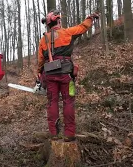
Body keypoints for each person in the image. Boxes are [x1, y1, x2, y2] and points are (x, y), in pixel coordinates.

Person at [37, 9, 99, 142]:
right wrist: (90, 18)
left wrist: (39, 73)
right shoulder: (67, 33)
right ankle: (69, 133)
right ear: (58, 21)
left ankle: (53, 133)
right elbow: (83, 27)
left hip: (50, 74)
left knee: (52, 102)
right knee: (68, 101)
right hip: (66, 74)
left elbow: (41, 60)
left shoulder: (43, 39)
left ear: (48, 25)